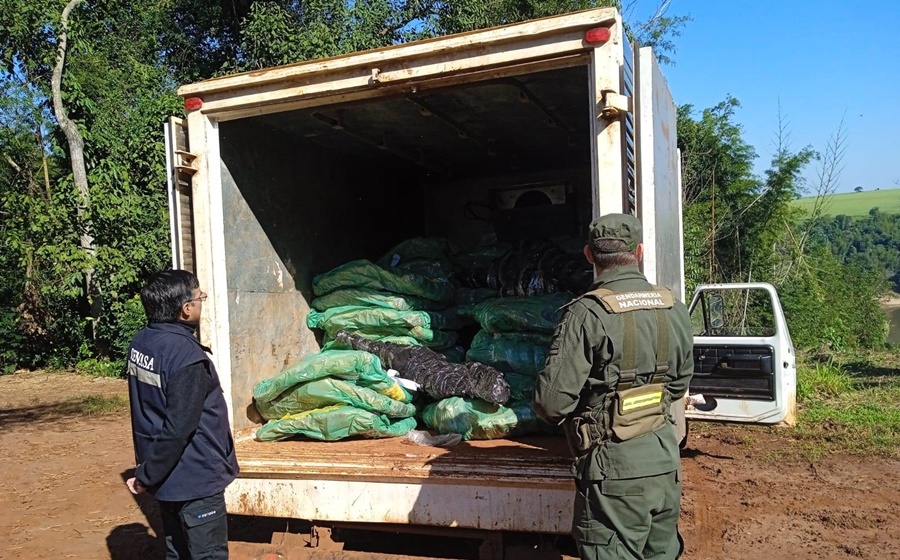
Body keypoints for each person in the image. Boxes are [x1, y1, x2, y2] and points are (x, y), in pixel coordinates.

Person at [534, 214, 693, 560]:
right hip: (665, 465)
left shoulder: (586, 314)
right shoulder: (674, 309)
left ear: (589, 255)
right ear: (638, 251)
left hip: (612, 475)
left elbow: (551, 404)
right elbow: (678, 386)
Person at [125, 270, 239, 560]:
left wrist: (150, 472)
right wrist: (146, 476)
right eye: (200, 298)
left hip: (168, 479)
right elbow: (178, 428)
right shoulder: (186, 358)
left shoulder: (142, 343)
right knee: (207, 554)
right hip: (195, 479)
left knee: (177, 552)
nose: (202, 302)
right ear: (186, 309)